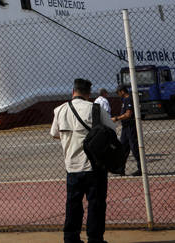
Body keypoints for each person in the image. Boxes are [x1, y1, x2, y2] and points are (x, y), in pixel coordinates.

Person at [51, 78, 117, 243]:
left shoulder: (59, 110)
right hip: (94, 166)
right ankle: (95, 239)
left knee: (73, 204)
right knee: (96, 204)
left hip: (72, 167)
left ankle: (71, 238)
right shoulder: (95, 109)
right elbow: (112, 130)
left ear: (73, 91)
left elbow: (54, 134)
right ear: (88, 94)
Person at [112, 84, 141, 176]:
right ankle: (121, 169)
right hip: (125, 127)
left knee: (134, 147)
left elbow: (128, 114)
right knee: (123, 148)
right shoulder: (124, 100)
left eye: (118, 92)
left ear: (122, 91)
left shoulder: (128, 99)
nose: (118, 94)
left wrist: (116, 118)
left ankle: (141, 168)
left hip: (130, 126)